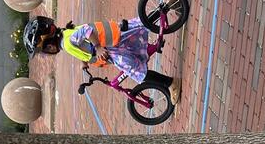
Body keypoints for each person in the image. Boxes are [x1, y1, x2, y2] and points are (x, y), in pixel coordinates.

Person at [23, 15, 180, 103]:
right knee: (140, 24)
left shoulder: (66, 41)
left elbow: (86, 30)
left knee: (137, 72)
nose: (48, 51)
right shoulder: (65, 37)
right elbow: (83, 46)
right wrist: (84, 63)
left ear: (50, 42)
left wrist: (97, 47)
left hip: (110, 47)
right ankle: (165, 7)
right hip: (113, 38)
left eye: (45, 48)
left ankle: (171, 83)